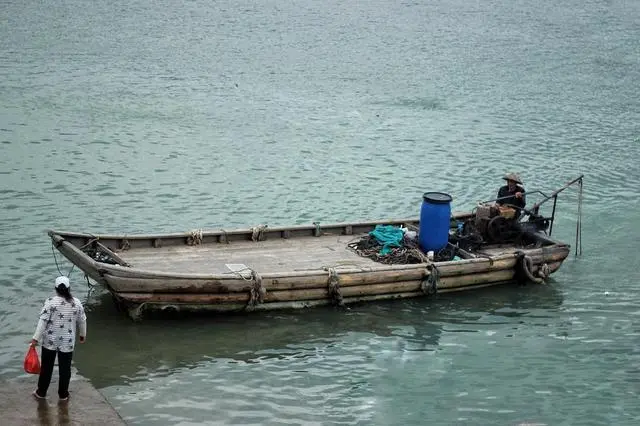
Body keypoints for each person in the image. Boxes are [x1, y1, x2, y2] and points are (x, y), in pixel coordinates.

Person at [31, 276, 87, 401]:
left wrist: (35, 339)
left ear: (55, 288)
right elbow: (82, 321)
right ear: (69, 288)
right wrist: (82, 335)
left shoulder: (50, 301)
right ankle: (63, 394)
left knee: (46, 368)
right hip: (67, 341)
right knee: (65, 369)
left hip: (50, 340)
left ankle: (41, 392)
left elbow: (42, 322)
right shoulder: (76, 303)